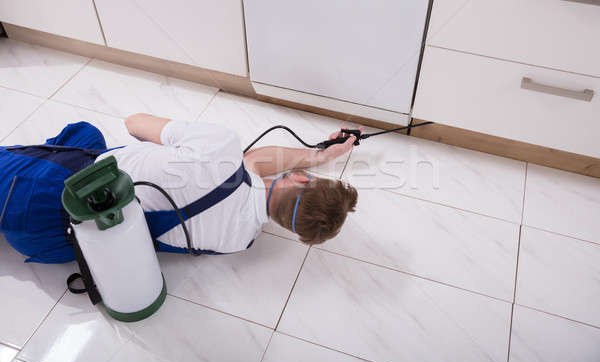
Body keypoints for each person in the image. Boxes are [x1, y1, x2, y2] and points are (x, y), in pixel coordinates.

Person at [0, 113, 359, 264]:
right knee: (85, 135)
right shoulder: (238, 242)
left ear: (298, 178)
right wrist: (317, 155)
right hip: (54, 249)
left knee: (82, 138)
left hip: (41, 192)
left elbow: (134, 122)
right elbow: (249, 166)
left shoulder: (220, 147)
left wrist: (177, 152)